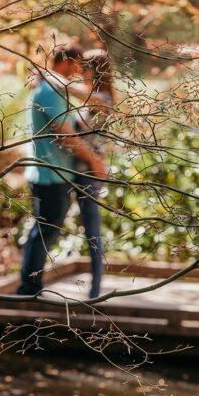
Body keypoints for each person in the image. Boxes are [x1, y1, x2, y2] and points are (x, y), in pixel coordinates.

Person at [18, 44, 107, 297]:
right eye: (77, 65)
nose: (78, 72)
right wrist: (94, 161)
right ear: (67, 62)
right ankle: (28, 288)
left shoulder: (52, 88)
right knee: (45, 231)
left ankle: (30, 285)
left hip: (55, 172)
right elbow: (65, 133)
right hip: (49, 174)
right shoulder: (49, 92)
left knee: (45, 230)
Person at [72, 49, 114, 298]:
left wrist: (52, 78)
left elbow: (75, 93)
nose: (79, 72)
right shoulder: (95, 97)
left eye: (84, 68)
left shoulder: (102, 98)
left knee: (92, 229)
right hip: (79, 169)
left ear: (94, 70)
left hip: (89, 171)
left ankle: (95, 288)